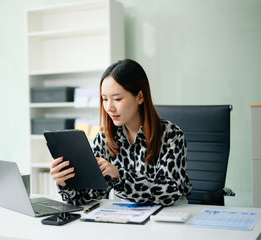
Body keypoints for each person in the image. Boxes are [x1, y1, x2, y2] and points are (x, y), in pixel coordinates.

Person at [50, 59, 192, 206]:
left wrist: (119, 175)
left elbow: (170, 192)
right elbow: (88, 195)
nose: (109, 107)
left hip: (169, 214)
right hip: (125, 213)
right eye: (104, 99)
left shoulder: (171, 135)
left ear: (140, 97)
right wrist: (65, 184)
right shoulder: (105, 137)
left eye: (117, 99)